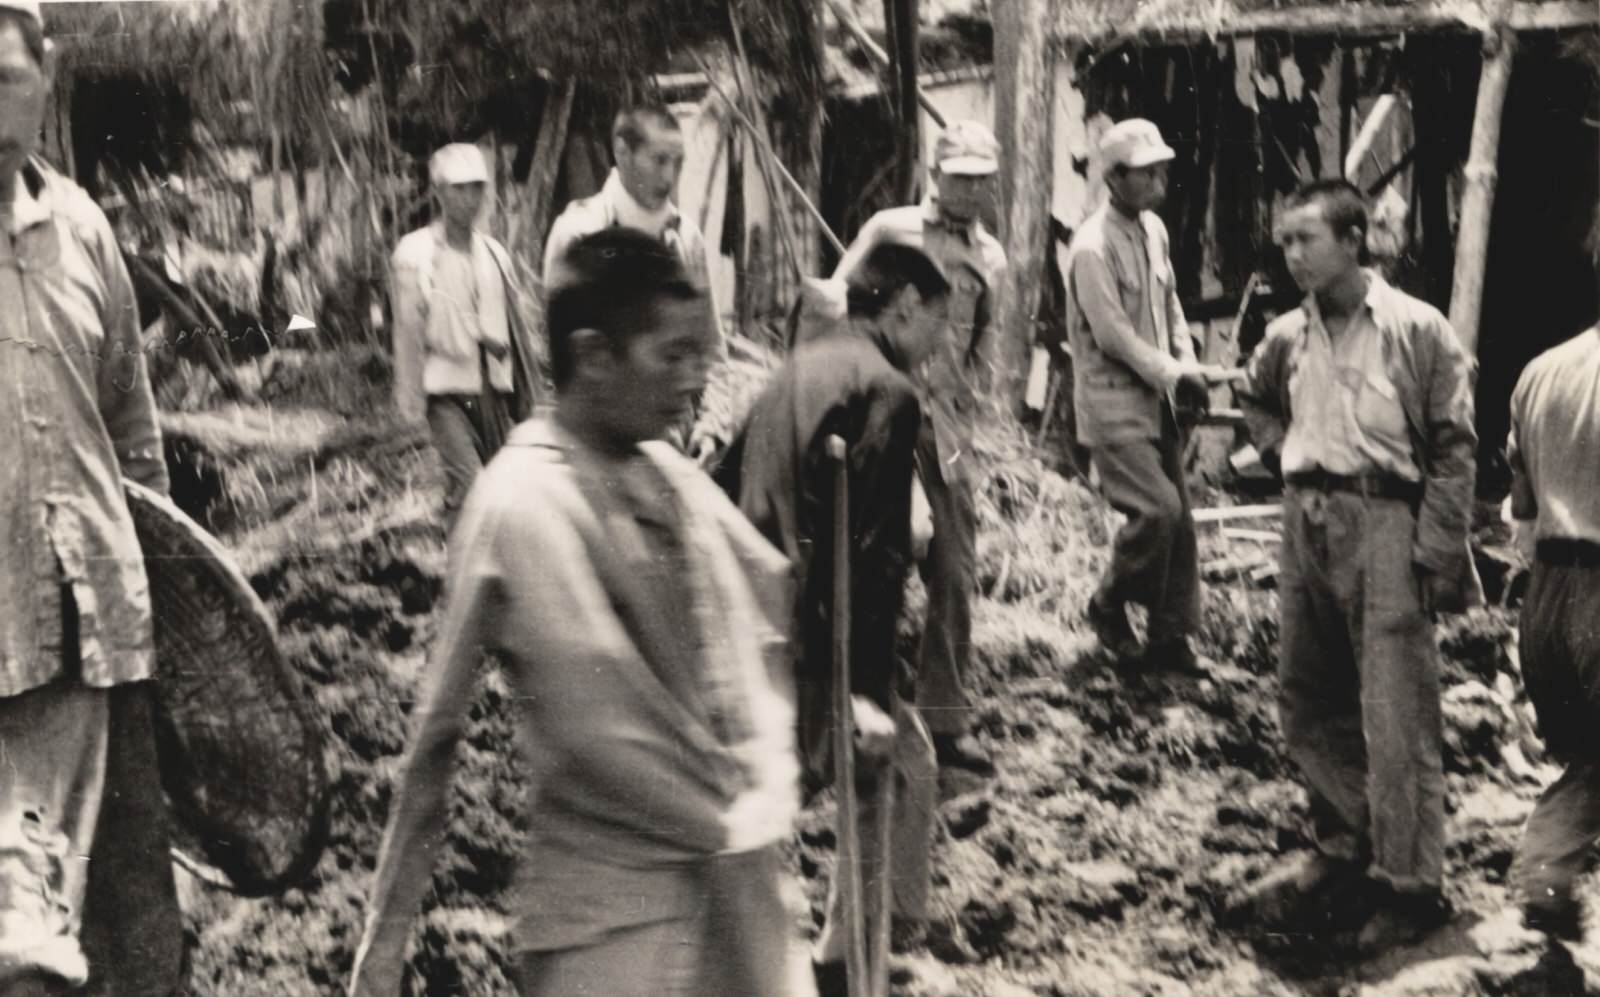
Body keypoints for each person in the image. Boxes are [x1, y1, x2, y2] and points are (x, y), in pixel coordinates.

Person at [350, 228, 813, 997]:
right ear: (594, 356)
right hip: (612, 924)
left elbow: (770, 603)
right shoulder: (519, 499)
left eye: (697, 354)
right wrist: (386, 935)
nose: (695, 379)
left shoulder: (668, 475)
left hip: (738, 894)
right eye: (671, 355)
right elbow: (444, 735)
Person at [1237, 179, 1480, 950]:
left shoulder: (1417, 328)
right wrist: (1283, 453)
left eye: (1305, 239)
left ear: (1353, 240)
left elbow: (1455, 449)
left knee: (1396, 712)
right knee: (1308, 696)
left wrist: (1436, 550)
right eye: (1284, 241)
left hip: (1385, 521)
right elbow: (1255, 399)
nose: (1292, 254)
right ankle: (1346, 846)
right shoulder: (1287, 334)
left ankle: (1410, 885)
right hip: (1304, 520)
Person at [0, 2, 183, 993]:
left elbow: (132, 433)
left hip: (107, 631)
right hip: (5, 660)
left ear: (46, 77)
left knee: (134, 926)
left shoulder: (83, 231)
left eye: (4, 78)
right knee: (26, 948)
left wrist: (169, 601)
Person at [728, 245, 952, 986]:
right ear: (905, 307)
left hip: (754, 613)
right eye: (938, 324)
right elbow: (878, 551)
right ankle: (849, 961)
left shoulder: (790, 371)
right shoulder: (888, 390)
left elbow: (722, 480)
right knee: (884, 769)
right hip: (818, 633)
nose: (938, 345)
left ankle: (843, 950)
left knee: (860, 774)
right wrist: (867, 692)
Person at [831, 120, 1007, 776]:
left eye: (982, 179)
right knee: (875, 558)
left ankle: (946, 721)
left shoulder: (991, 256)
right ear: (935, 174)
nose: (971, 190)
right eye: (960, 177)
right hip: (882, 414)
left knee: (955, 569)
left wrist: (971, 412)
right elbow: (838, 305)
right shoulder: (890, 230)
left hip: (947, 432)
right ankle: (856, 709)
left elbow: (985, 343)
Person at [1060, 117, 1221, 672]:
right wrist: (1172, 372)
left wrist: (1188, 363)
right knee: (1158, 511)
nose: (1158, 182)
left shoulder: (1154, 231)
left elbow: (1169, 304)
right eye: (1146, 173)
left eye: (1161, 171)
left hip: (1159, 400)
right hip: (1113, 403)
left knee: (1181, 522)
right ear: (1114, 178)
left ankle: (1171, 637)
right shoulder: (1091, 247)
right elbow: (1112, 335)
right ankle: (1107, 605)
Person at [543, 104, 727, 459]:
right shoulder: (579, 231)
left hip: (679, 441)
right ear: (622, 153)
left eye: (678, 163)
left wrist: (710, 428)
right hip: (599, 446)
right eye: (659, 160)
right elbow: (555, 360)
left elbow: (710, 348)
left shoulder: (685, 238)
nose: (669, 177)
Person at [1503, 323, 1600, 940]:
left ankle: (1548, 874)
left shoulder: (1542, 370)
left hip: (1548, 591)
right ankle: (1546, 864)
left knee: (1590, 752)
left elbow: (1522, 506)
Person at [390, 142, 540, 527]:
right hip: (445, 393)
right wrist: (410, 401)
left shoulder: (495, 254)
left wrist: (526, 396)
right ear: (438, 192)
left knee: (502, 493)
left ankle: (485, 559)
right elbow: (408, 331)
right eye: (459, 189)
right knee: (472, 487)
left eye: (477, 188)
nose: (470, 199)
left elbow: (516, 328)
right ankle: (460, 557)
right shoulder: (415, 253)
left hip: (493, 390)